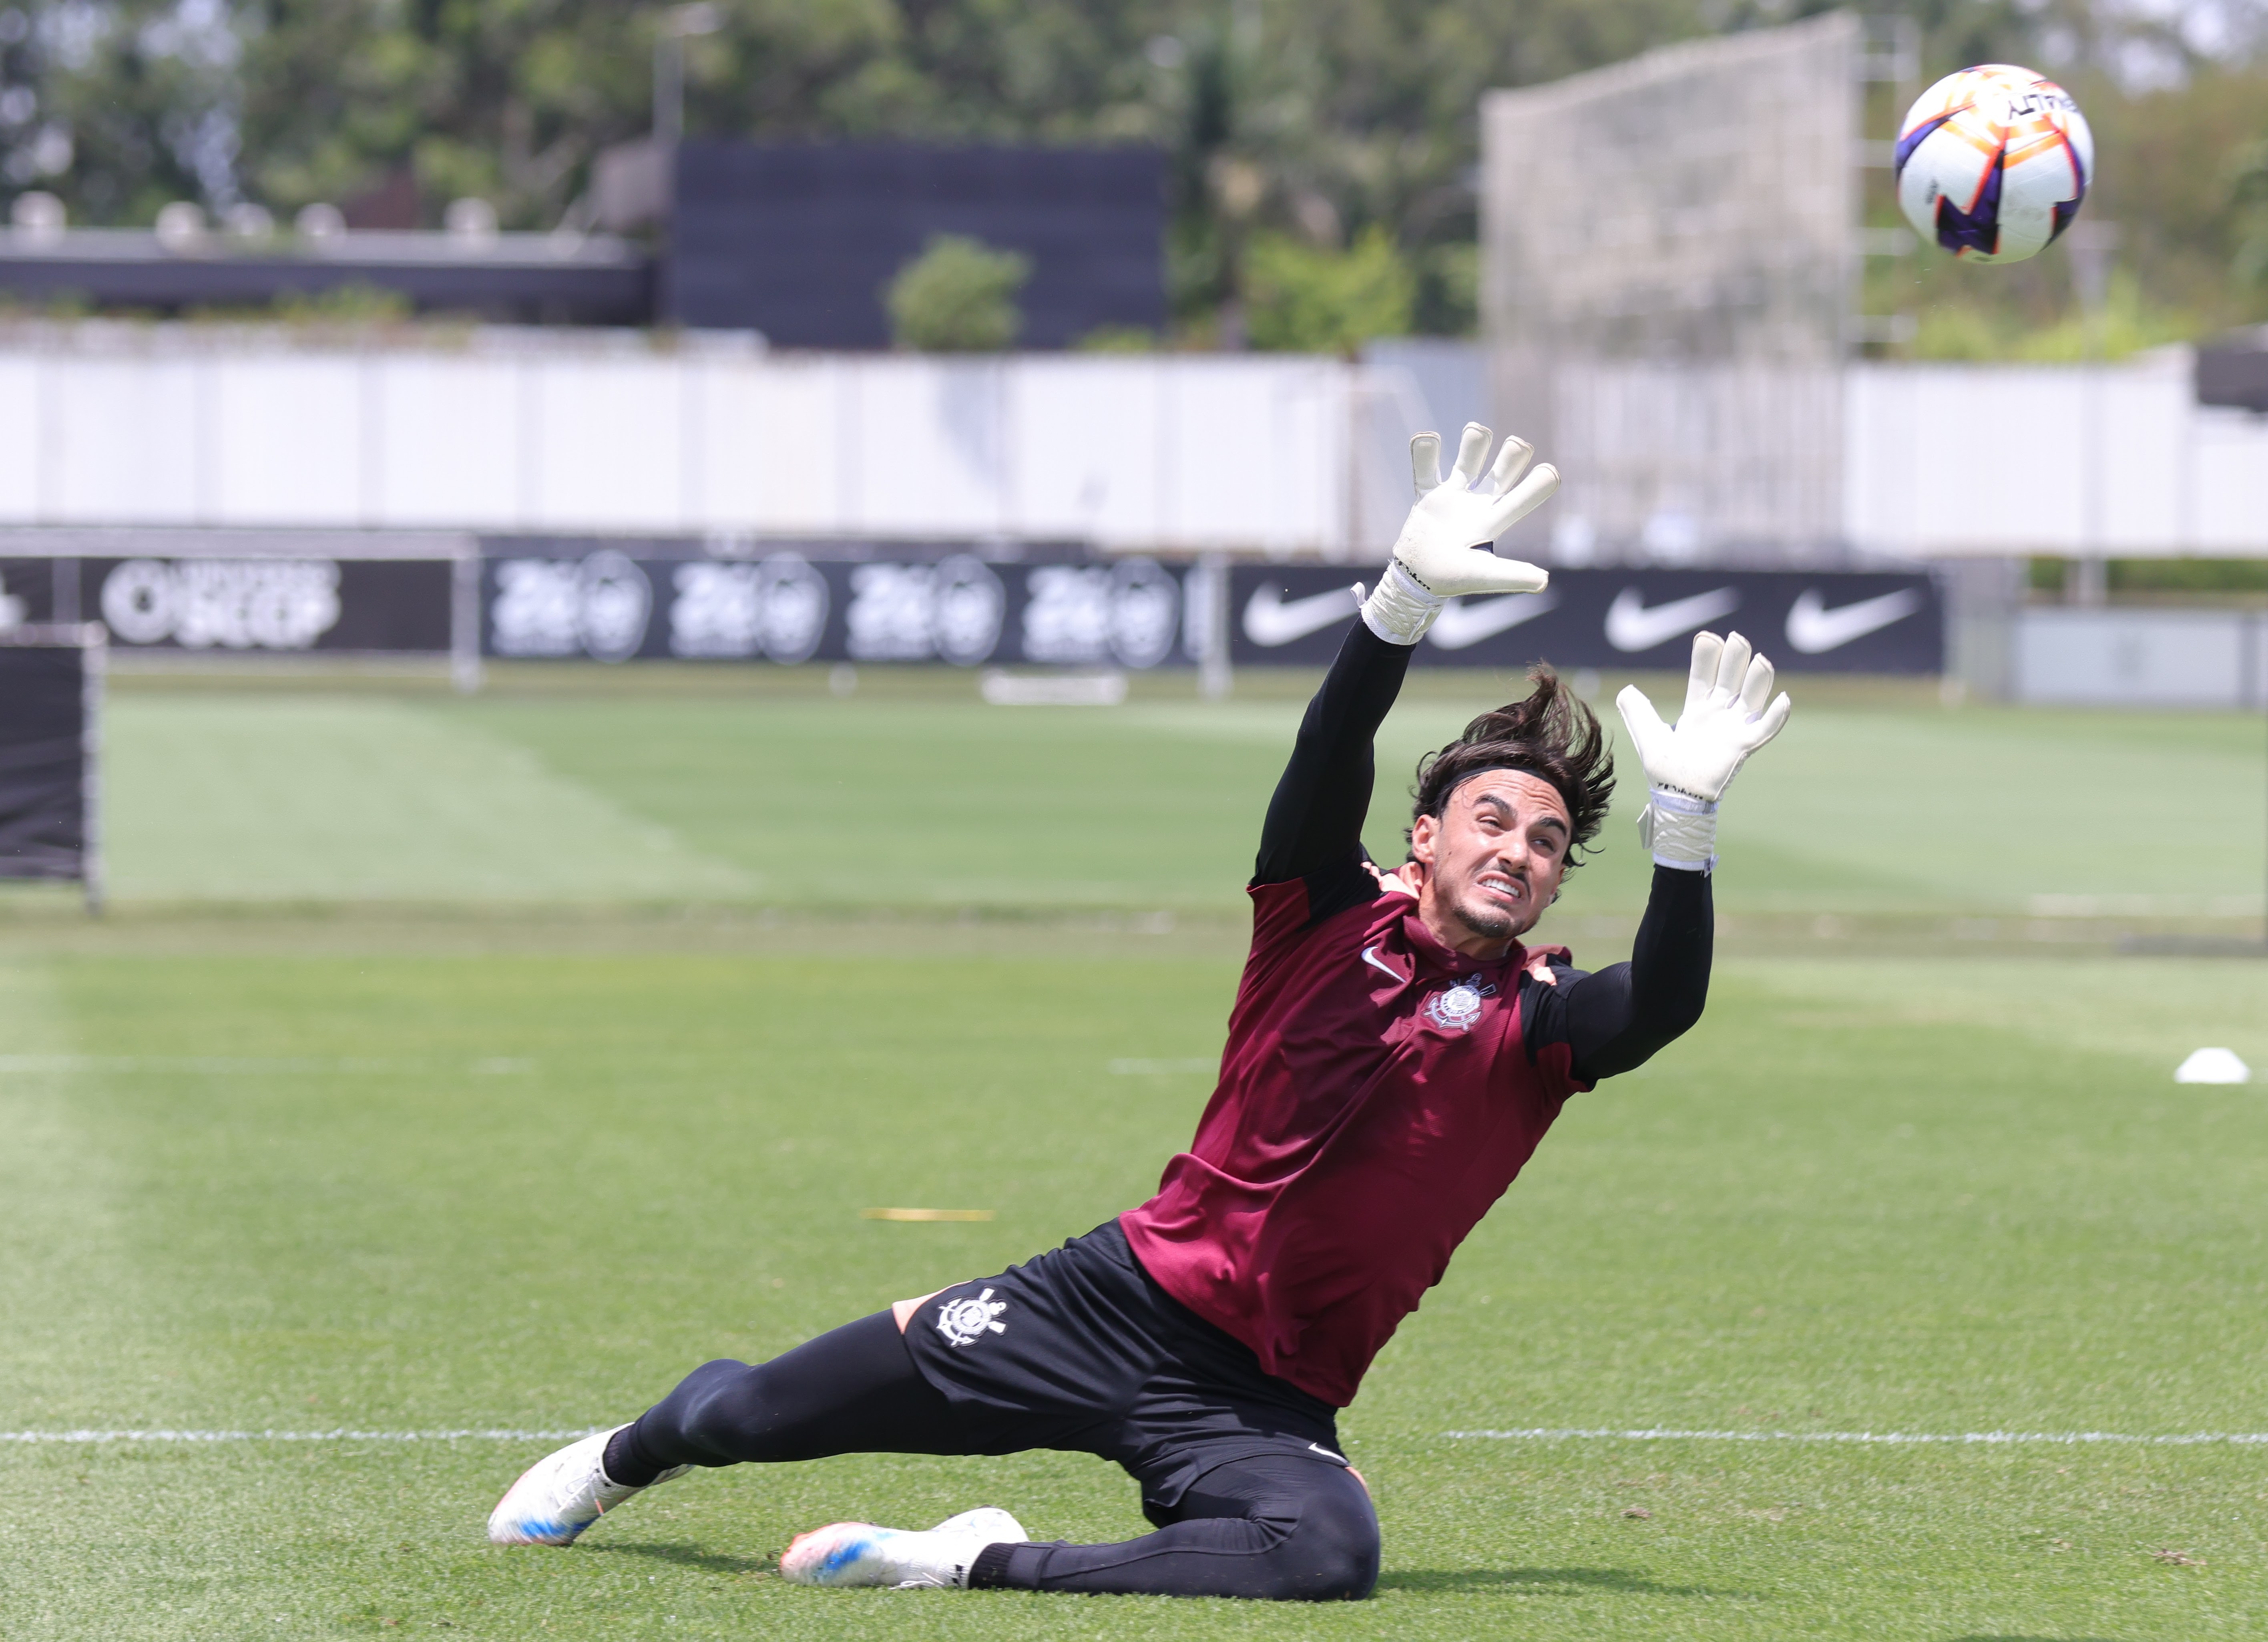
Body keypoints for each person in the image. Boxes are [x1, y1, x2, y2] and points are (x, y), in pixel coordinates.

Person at [486, 424, 1792, 1601]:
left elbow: (1664, 1003)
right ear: (1425, 835)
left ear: (1563, 877)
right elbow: (1321, 760)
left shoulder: (1537, 1027)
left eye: (1549, 839)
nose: (1518, 848)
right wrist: (1396, 607)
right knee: (752, 1415)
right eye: (1491, 818)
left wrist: (1688, 824)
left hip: (1259, 1396)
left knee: (1329, 1555)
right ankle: (621, 1458)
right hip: (1107, 1301)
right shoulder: (1319, 914)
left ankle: (966, 1558)